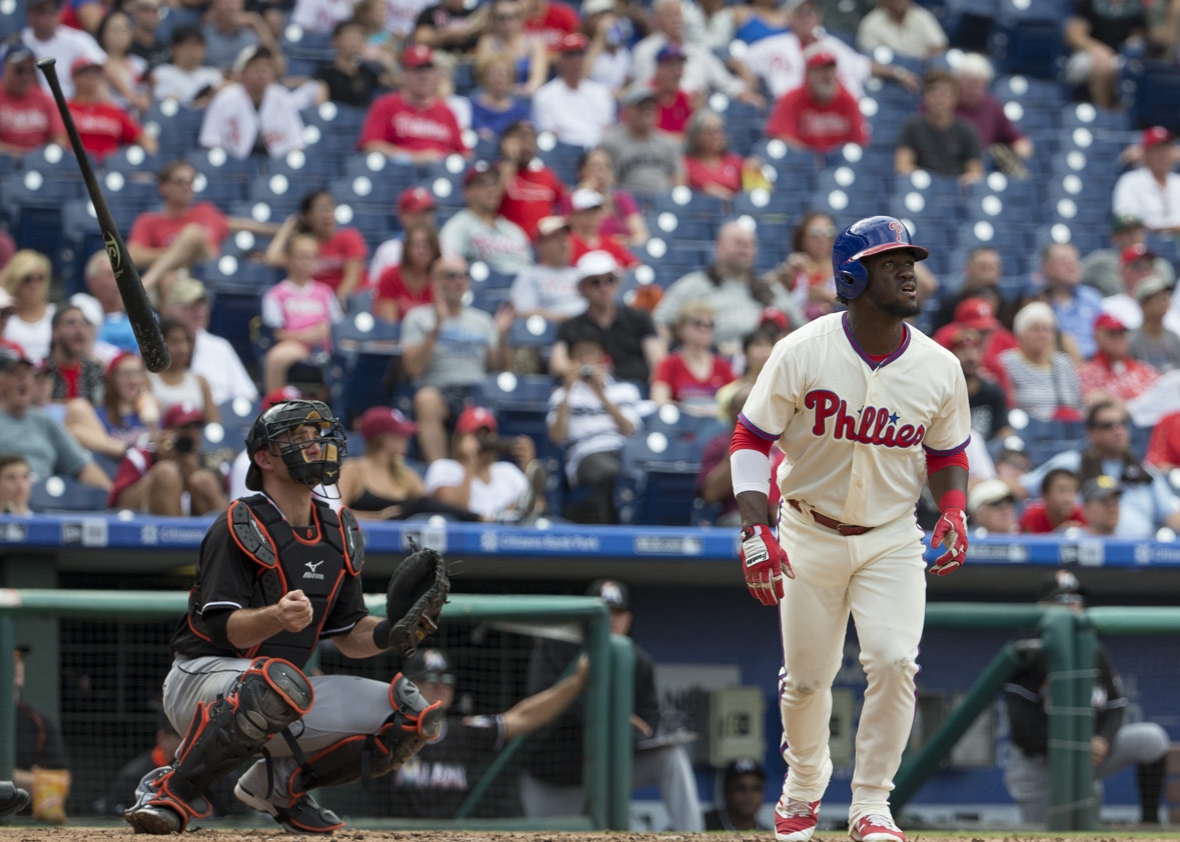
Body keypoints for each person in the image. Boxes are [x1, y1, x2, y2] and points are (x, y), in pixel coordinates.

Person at [729, 215, 970, 842]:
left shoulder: (940, 366)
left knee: (894, 662)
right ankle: (804, 785)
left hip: (891, 534)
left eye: (909, 260)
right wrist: (755, 528)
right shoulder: (802, 349)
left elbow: (947, 453)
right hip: (807, 529)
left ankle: (871, 804)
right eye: (890, 262)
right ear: (852, 275)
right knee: (808, 678)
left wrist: (952, 509)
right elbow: (751, 437)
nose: (907, 272)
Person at [122, 398, 447, 835]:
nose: (314, 447)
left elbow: (349, 636)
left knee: (410, 715)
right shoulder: (240, 522)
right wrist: (276, 616)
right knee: (275, 682)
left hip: (281, 691)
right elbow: (222, 629)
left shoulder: (340, 529)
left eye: (316, 438)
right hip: (200, 680)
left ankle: (279, 787)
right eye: (297, 439)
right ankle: (170, 790)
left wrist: (395, 630)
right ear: (265, 459)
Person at [521, 579, 703, 830]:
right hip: (556, 773)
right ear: (587, 617)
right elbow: (544, 707)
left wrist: (624, 728)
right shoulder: (557, 648)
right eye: (604, 611)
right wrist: (615, 717)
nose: (612, 619)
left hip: (605, 773)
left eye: (618, 613)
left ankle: (693, 833)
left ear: (628, 620)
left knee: (669, 757)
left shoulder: (637, 660)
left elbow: (648, 719)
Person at [1003, 570, 1169, 825]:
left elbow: (1115, 707)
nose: (1072, 606)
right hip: (1039, 764)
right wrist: (1078, 746)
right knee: (1044, 832)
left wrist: (1103, 739)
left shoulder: (1093, 650)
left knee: (1151, 738)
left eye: (1076, 600)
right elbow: (1024, 729)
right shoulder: (1029, 653)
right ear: (1042, 607)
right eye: (1061, 600)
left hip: (1086, 755)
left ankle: (1151, 820)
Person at [372, 646, 590, 817]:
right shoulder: (386, 732)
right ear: (409, 687)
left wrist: (576, 682)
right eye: (429, 680)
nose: (440, 687)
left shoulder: (463, 733)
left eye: (446, 680)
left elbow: (522, 717)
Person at [401, 256, 515, 463]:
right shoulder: (418, 317)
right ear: (435, 281)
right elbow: (413, 368)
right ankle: (440, 470)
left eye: (464, 276)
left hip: (477, 390)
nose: (459, 281)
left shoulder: (483, 320)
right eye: (451, 276)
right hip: (440, 390)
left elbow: (499, 370)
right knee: (425, 399)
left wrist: (502, 336)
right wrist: (437, 325)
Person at [1021, 399, 1180, 539]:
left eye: (1122, 424)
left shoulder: (1145, 471)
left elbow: (1171, 516)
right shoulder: (1072, 462)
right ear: (1092, 433)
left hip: (1141, 554)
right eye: (1108, 426)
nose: (1117, 431)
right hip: (1086, 552)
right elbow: (1022, 488)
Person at [127, 160, 278, 299]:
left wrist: (282, 230)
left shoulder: (205, 211)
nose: (186, 187)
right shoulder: (150, 220)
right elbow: (133, 255)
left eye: (190, 182)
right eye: (179, 182)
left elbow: (243, 224)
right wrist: (182, 254)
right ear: (163, 187)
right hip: (173, 278)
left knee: (193, 233)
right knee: (170, 280)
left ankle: (141, 287)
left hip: (207, 273)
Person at [654, 221, 797, 352]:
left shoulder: (770, 289)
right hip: (710, 367)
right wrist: (662, 368)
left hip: (762, 367)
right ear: (718, 246)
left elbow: (803, 329)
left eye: (751, 244)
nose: (745, 248)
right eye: (738, 243)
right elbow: (660, 323)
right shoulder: (693, 285)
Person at [745, 0, 920, 101]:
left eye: (811, 13)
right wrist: (748, 86)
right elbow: (740, 60)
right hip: (792, 111)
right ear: (790, 18)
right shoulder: (773, 45)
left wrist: (898, 72)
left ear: (819, 18)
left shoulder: (832, 45)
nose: (806, 18)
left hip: (836, 111)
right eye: (801, 13)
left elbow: (862, 65)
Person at [548, 336, 642, 523]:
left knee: (640, 473)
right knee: (612, 474)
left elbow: (631, 430)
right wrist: (567, 390)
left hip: (622, 449)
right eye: (581, 355)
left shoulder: (624, 390)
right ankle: (615, 533)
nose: (587, 360)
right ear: (572, 361)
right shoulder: (561, 396)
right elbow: (556, 437)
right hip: (586, 453)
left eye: (592, 354)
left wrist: (601, 394)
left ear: (602, 358)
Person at [337, 406, 481, 521]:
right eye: (399, 434)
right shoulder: (354, 469)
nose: (406, 437)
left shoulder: (406, 475)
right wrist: (375, 518)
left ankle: (480, 518)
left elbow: (432, 506)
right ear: (383, 438)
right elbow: (335, 511)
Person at [0, 347, 111, 489]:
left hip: (44, 498)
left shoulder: (43, 421)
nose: (24, 380)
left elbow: (82, 466)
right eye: (15, 374)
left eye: (27, 374)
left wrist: (110, 498)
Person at [550, 251, 664, 384]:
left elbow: (659, 365)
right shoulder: (570, 326)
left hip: (635, 396)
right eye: (595, 282)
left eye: (609, 280)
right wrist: (588, 371)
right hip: (589, 394)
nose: (603, 288)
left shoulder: (639, 318)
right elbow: (557, 366)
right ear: (582, 288)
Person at [424, 405, 542, 521]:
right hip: (461, 538)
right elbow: (455, 512)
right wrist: (470, 462)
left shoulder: (508, 471)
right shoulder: (443, 468)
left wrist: (528, 467)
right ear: (460, 438)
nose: (482, 442)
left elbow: (539, 509)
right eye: (476, 435)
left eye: (487, 435)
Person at [260, 234, 345, 393]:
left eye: (311, 257)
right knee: (276, 358)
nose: (307, 262)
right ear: (289, 259)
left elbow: (339, 325)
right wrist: (307, 336)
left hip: (327, 345)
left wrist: (327, 331)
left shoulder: (325, 292)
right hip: (297, 345)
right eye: (302, 256)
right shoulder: (276, 294)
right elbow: (276, 334)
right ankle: (275, 409)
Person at [109, 401, 228, 515]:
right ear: (167, 430)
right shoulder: (140, 457)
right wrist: (157, 469)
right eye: (184, 427)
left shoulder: (212, 462)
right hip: (148, 522)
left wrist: (192, 474)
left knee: (202, 480)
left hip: (197, 521)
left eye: (197, 427)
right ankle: (172, 534)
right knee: (166, 472)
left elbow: (230, 503)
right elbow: (120, 506)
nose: (191, 434)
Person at [359, 45, 468, 162]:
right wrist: (413, 157)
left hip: (438, 173)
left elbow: (464, 153)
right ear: (404, 74)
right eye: (417, 69)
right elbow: (371, 145)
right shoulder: (385, 105)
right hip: (397, 174)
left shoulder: (446, 111)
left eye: (428, 69)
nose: (424, 76)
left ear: (436, 75)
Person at [160, 276, 259, 405]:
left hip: (224, 418)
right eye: (191, 306)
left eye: (202, 305)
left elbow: (248, 393)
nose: (199, 312)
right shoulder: (159, 348)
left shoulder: (220, 346)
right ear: (172, 311)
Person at [631, 0, 755, 102]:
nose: (676, 20)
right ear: (656, 20)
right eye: (670, 15)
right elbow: (644, 89)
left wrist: (742, 91)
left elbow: (724, 81)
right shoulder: (645, 50)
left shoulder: (697, 50)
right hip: (663, 111)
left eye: (678, 15)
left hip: (697, 114)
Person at [199, 45, 304, 160]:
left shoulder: (282, 97)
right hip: (233, 167)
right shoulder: (225, 99)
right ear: (241, 73)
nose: (262, 71)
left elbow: (296, 143)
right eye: (256, 66)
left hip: (276, 165)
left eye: (267, 66)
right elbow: (210, 141)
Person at [265, 191, 369, 306]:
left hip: (352, 301)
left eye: (330, 208)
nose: (326, 215)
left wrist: (338, 304)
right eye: (319, 209)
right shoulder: (305, 246)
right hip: (318, 304)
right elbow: (272, 258)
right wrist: (287, 228)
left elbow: (352, 277)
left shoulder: (349, 237)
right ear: (307, 216)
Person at [765, 44, 868, 154]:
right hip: (802, 164)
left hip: (838, 163)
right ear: (808, 73)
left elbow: (859, 142)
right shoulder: (791, 98)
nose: (826, 75)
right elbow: (780, 135)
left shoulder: (848, 100)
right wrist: (812, 156)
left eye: (830, 69)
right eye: (820, 70)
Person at [439, 161, 533, 274]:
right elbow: (449, 264)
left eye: (495, 183)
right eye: (482, 183)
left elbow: (531, 267)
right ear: (467, 192)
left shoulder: (513, 230)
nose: (491, 189)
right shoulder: (458, 226)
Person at [996, 302, 1083, 423]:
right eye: (1035, 329)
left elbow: (1078, 403)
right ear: (1020, 334)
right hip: (1028, 429)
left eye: (1047, 330)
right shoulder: (1007, 362)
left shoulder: (1063, 362)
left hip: (1067, 429)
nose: (1042, 335)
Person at [13, 646, 71, 823]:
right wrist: (35, 780)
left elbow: (61, 782)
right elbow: (47, 783)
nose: (16, 664)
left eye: (18, 657)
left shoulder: (38, 722)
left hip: (26, 822)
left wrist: (10, 777)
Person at [895, 70, 983, 184]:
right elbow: (902, 166)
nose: (939, 100)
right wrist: (930, 182)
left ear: (954, 98)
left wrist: (956, 183)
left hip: (957, 191)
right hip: (924, 188)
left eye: (944, 95)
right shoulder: (912, 127)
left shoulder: (967, 130)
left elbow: (976, 171)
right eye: (934, 94)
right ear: (925, 97)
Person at [532, 33, 616, 149]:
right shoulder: (544, 95)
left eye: (581, 54)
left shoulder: (602, 93)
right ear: (560, 59)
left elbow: (607, 130)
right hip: (562, 153)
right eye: (570, 55)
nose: (576, 60)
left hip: (596, 150)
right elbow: (548, 136)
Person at [601, 84, 685, 199]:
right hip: (628, 205)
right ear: (627, 110)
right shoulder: (610, 142)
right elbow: (607, 183)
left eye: (651, 107)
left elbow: (678, 180)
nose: (647, 111)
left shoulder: (669, 143)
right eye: (641, 107)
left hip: (663, 204)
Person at [651, 300, 735, 416]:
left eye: (710, 325)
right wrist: (690, 410)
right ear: (680, 329)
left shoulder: (724, 366)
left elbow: (736, 403)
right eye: (697, 323)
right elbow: (659, 400)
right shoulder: (668, 364)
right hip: (682, 425)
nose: (705, 329)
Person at [65, 55, 155, 159]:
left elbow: (145, 140)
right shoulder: (64, 109)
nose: (92, 77)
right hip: (74, 169)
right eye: (86, 73)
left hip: (109, 169)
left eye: (96, 73)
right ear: (74, 77)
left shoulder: (113, 110)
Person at [953, 53, 1033, 166]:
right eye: (968, 85)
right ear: (958, 84)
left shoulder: (992, 106)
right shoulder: (947, 105)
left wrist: (1021, 145)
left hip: (984, 163)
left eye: (977, 85)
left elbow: (1013, 136)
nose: (973, 90)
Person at [934, 324, 1009, 442]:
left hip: (988, 453)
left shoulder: (993, 391)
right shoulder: (941, 393)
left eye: (974, 349)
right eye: (962, 350)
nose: (970, 357)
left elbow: (1004, 430)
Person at [1064, 0, 1145, 110]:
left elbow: (1138, 33)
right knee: (1102, 67)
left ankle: (1122, 116)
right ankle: (1104, 114)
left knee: (1131, 70)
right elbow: (1074, 35)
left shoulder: (1135, 6)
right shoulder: (1090, 3)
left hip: (1121, 56)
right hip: (1087, 54)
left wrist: (1134, 40)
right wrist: (1097, 48)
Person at [22, 0, 107, 101]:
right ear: (30, 14)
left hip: (72, 105)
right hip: (34, 107)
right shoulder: (18, 42)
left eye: (53, 10)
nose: (48, 16)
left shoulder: (77, 38)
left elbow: (105, 66)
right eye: (42, 11)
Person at [565, 148, 649, 246]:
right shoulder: (571, 199)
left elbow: (641, 234)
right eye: (595, 166)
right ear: (583, 170)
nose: (601, 172)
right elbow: (568, 234)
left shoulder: (621, 198)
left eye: (606, 166)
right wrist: (583, 193)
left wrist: (623, 242)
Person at [496, 120, 565, 237]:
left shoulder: (547, 175)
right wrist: (510, 160)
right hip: (508, 245)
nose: (527, 146)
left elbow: (565, 202)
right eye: (522, 139)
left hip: (543, 245)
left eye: (531, 140)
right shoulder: (494, 173)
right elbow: (491, 203)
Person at [0, 39, 68, 155]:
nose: (26, 76)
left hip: (41, 164)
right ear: (6, 69)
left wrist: (45, 155)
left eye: (31, 70)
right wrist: (19, 154)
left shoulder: (44, 98)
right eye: (19, 70)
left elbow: (59, 138)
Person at [510, 216, 583, 321]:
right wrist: (563, 319)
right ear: (540, 245)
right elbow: (523, 311)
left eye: (565, 238)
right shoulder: (530, 275)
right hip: (555, 332)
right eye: (556, 238)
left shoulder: (581, 274)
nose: (564, 243)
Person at [1082, 215, 1175, 297]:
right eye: (1127, 233)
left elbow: (1168, 296)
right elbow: (1073, 276)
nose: (1133, 236)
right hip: (1115, 311)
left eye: (1137, 232)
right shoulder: (1101, 260)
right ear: (1114, 238)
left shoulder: (1159, 263)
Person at [149, 319, 220, 421]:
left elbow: (213, 423)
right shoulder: (147, 380)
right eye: (174, 342)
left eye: (185, 341)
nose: (182, 348)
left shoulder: (201, 381)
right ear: (159, 344)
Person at [1078, 313, 1159, 403]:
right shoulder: (1086, 373)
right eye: (1112, 334)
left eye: (1121, 333)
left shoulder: (1145, 370)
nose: (1118, 338)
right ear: (1097, 337)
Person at [1112, 127, 1180, 234]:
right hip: (1145, 246)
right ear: (1145, 154)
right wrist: (1172, 228)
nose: (1163, 155)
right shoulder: (1130, 181)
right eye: (1157, 150)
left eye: (1167, 149)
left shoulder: (1177, 182)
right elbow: (1127, 222)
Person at [475, 0, 549, 96]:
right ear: (494, 20)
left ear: (521, 18)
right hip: (497, 94)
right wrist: (510, 91)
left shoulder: (534, 42)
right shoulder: (487, 42)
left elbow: (538, 78)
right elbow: (483, 76)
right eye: (502, 18)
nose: (507, 22)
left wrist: (528, 90)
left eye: (513, 17)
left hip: (528, 94)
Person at [373, 224, 440, 323]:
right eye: (417, 246)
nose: (422, 251)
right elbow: (389, 325)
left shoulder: (441, 279)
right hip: (397, 335)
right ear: (406, 247)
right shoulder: (389, 276)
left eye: (427, 246)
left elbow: (443, 320)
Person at [369, 187, 439, 281]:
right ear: (403, 216)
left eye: (428, 213)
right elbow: (376, 290)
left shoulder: (446, 248)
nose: (424, 218)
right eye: (418, 213)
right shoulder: (388, 250)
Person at [313, 19, 383, 108]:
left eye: (358, 37)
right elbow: (320, 102)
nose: (354, 42)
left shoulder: (368, 73)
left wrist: (385, 60)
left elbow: (394, 83)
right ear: (335, 41)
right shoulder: (324, 73)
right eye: (349, 37)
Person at [43, 305, 105, 405]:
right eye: (71, 323)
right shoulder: (43, 371)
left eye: (84, 323)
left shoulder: (95, 370)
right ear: (54, 332)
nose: (79, 330)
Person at [683, 110, 750, 201]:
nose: (717, 136)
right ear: (696, 136)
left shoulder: (735, 161)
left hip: (732, 212)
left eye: (719, 130)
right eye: (710, 132)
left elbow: (749, 194)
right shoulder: (685, 164)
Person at [150, 27, 226, 107]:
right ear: (175, 48)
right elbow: (163, 102)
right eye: (190, 46)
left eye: (199, 46)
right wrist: (195, 104)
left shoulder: (213, 75)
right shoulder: (162, 73)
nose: (195, 51)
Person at [1, 250, 54, 363]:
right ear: (15, 282)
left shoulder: (55, 314)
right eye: (27, 279)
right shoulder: (4, 319)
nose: (34, 285)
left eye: (40, 278)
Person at [565, 189, 640, 268]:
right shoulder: (568, 245)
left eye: (595, 212)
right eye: (586, 213)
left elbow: (634, 265)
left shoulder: (611, 242)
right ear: (574, 216)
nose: (592, 217)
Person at [469, 55, 533, 142]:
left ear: (511, 78)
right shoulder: (470, 107)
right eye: (493, 74)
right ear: (484, 76)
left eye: (503, 74)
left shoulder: (520, 111)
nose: (498, 79)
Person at [97, 10, 150, 113]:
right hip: (109, 118)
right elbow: (102, 99)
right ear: (102, 33)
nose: (119, 35)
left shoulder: (140, 64)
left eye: (124, 30)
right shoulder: (95, 62)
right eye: (115, 30)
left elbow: (145, 97)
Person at [855, 0, 947, 59]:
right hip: (891, 71)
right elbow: (870, 56)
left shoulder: (921, 15)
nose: (899, 2)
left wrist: (923, 61)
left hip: (923, 64)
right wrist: (898, 72)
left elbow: (939, 45)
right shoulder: (870, 23)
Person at [704, 758, 771, 831]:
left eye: (756, 788)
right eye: (740, 788)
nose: (749, 795)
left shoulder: (766, 834)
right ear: (727, 793)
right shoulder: (702, 825)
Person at [1130, 274, 1180, 372]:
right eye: (1157, 299)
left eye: (1165, 298)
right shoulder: (1131, 340)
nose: (1163, 303)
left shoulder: (1174, 338)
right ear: (1144, 305)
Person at [1019, 468, 1086, 533]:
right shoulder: (1032, 518)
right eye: (1062, 491)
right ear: (1045, 494)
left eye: (1072, 491)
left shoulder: (1083, 516)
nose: (1068, 499)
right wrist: (1059, 533)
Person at [413, 0, 489, 53]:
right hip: (439, 56)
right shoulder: (431, 12)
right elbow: (421, 39)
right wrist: (449, 34)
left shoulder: (473, 14)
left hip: (469, 56)